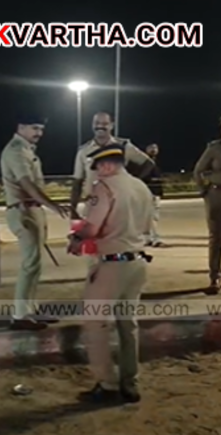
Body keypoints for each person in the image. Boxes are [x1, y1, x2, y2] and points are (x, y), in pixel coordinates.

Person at [68, 144, 154, 404]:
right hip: (137, 263)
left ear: (106, 164)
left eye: (96, 168)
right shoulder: (142, 188)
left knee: (95, 323)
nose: (95, 174)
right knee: (128, 325)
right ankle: (130, 383)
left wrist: (76, 237)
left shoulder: (104, 187)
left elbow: (92, 228)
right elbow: (147, 226)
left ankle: (107, 384)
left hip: (112, 264)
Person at [0, 113, 71, 331]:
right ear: (20, 127)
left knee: (35, 264)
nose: (39, 133)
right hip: (23, 211)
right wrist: (53, 205)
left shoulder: (27, 150)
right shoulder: (15, 151)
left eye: (41, 129)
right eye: (34, 128)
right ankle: (20, 314)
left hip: (32, 210)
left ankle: (29, 310)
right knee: (30, 264)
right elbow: (27, 183)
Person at [70, 112, 155, 219]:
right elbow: (77, 183)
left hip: (120, 208)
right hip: (93, 208)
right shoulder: (83, 151)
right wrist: (73, 209)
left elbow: (148, 164)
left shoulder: (123, 146)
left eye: (105, 123)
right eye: (97, 123)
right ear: (92, 124)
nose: (100, 126)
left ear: (111, 125)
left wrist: (134, 183)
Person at [192, 114, 221, 294]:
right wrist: (204, 191)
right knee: (216, 239)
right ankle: (214, 277)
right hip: (217, 196)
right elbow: (198, 171)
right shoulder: (213, 149)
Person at [144, 143, 164, 247]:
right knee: (153, 217)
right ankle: (155, 239)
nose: (154, 150)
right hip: (150, 192)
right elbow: (144, 177)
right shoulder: (147, 162)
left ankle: (147, 238)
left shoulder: (153, 162)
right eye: (152, 148)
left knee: (148, 217)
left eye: (156, 148)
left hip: (154, 192)